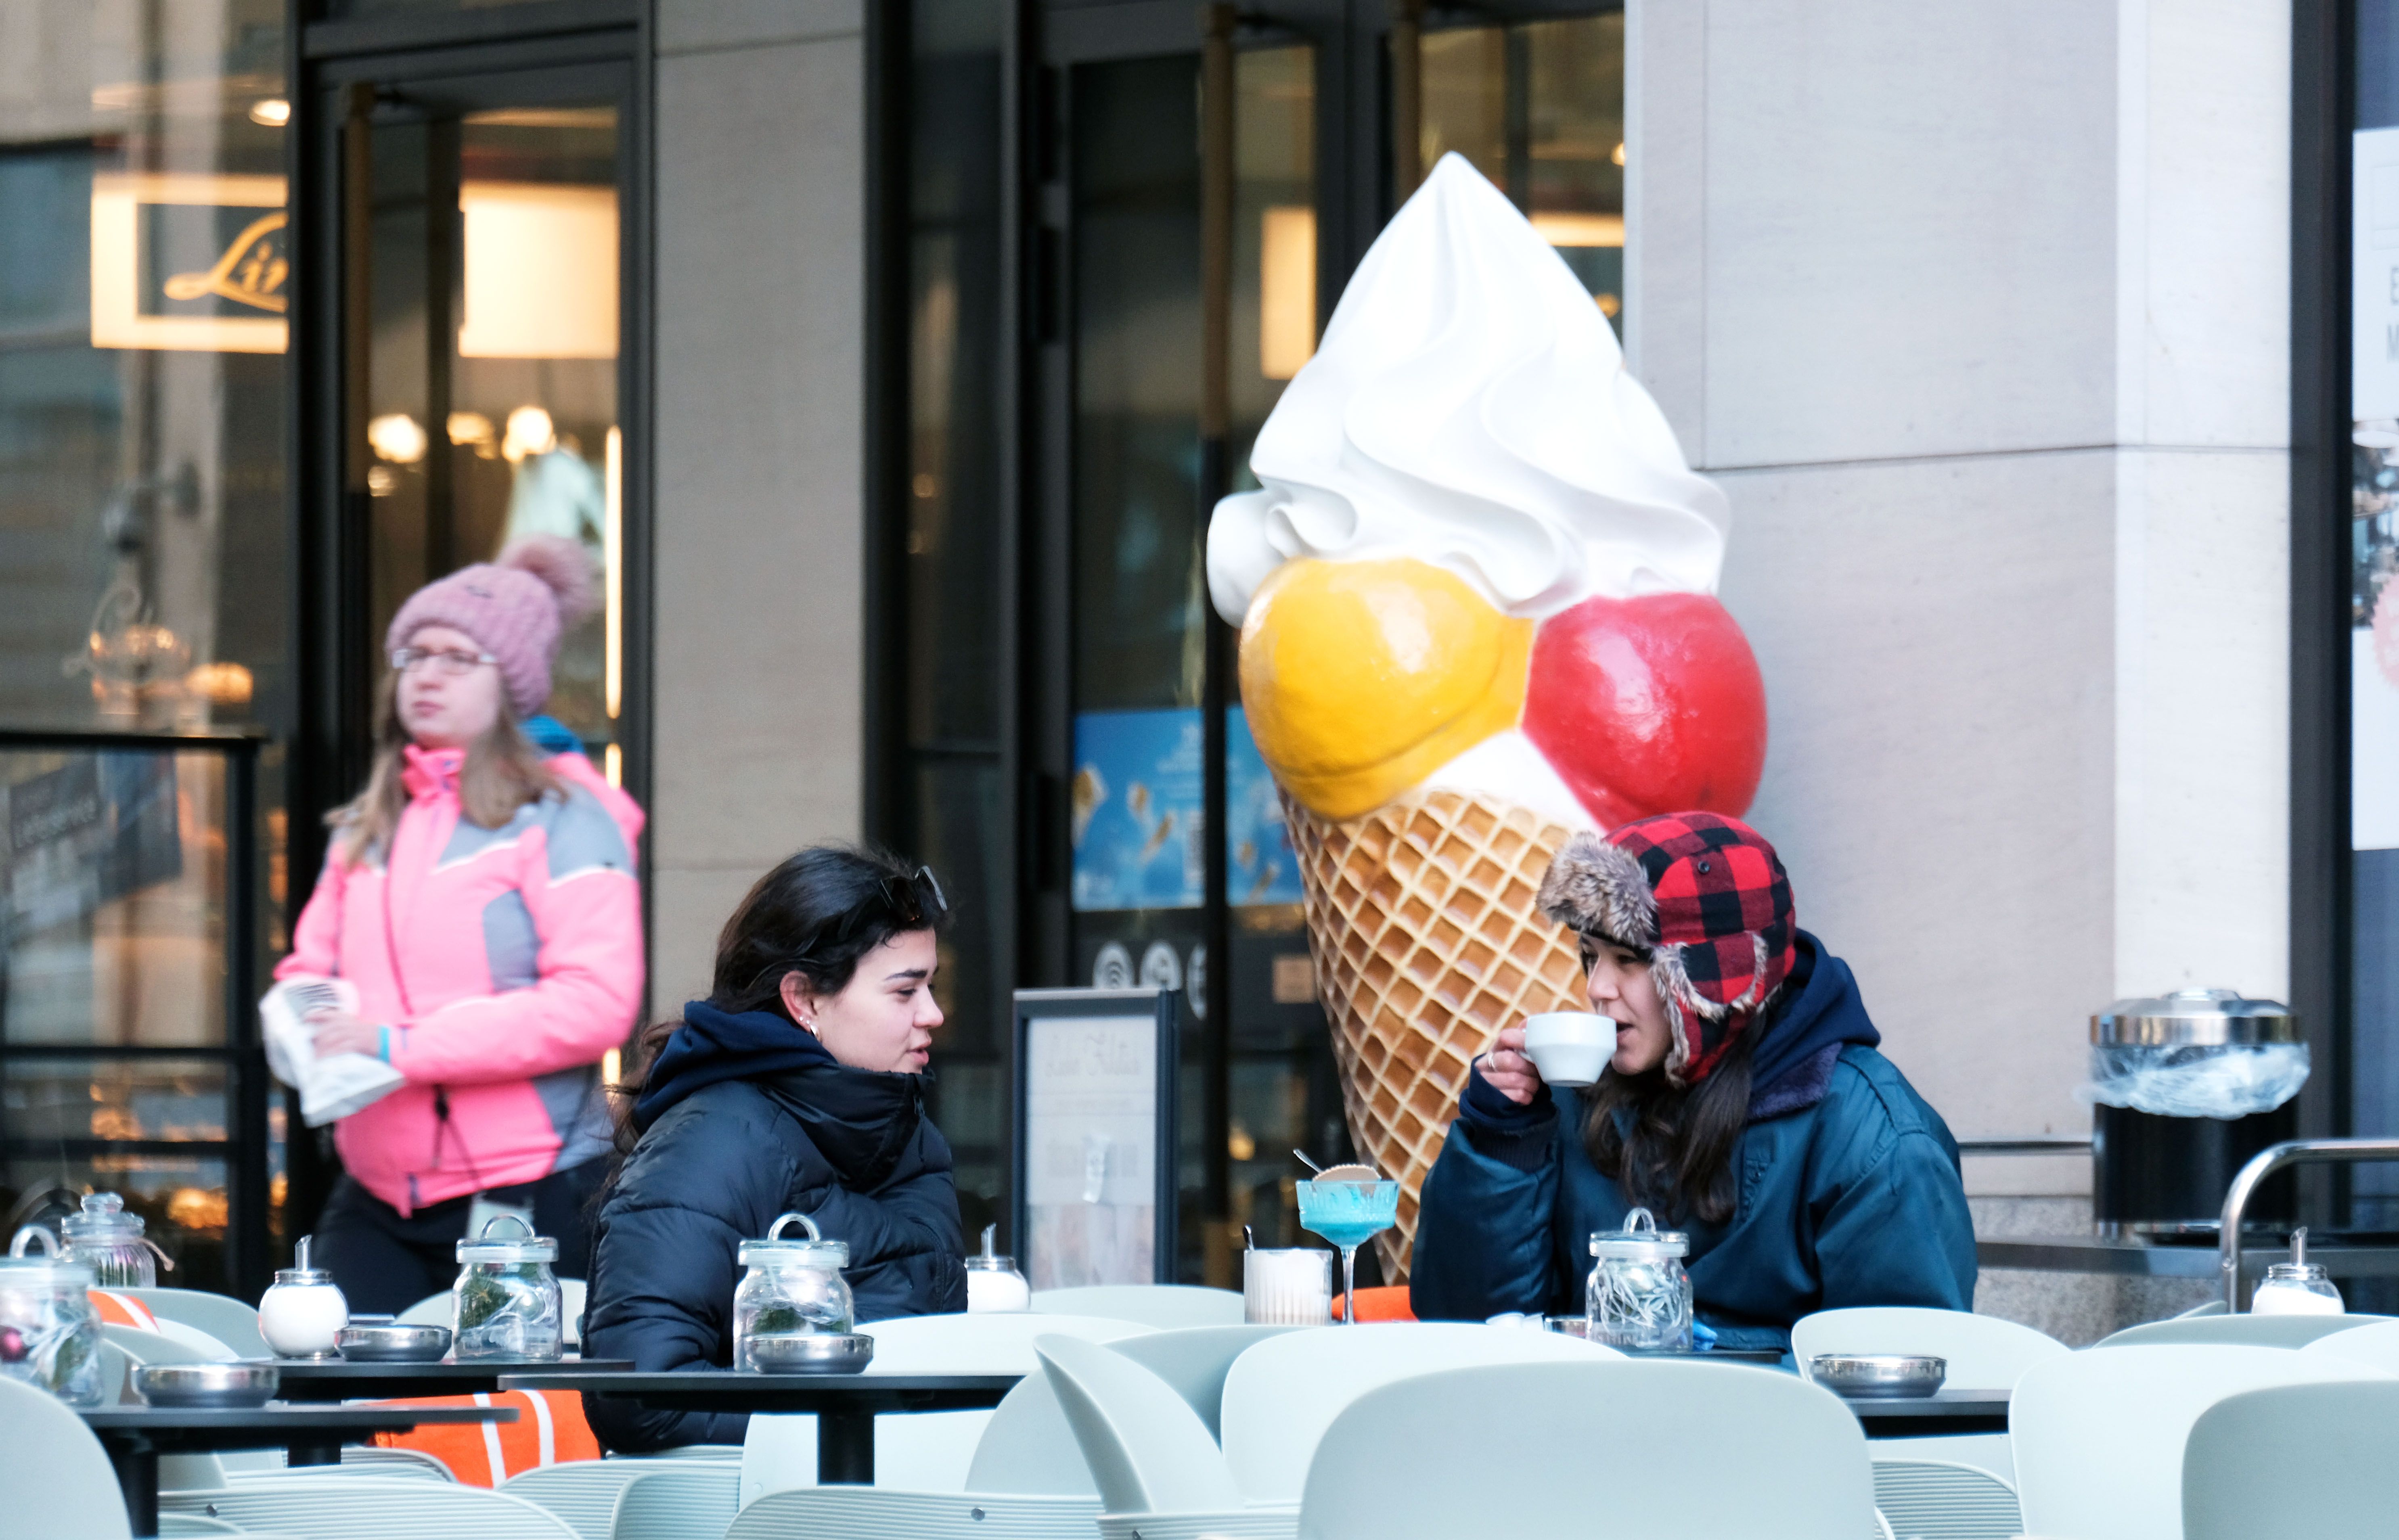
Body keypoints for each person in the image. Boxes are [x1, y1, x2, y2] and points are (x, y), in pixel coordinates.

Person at [1409, 812, 1975, 1348]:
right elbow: (1466, 1329)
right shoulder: (1569, 1099)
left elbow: (1896, 1380)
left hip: (1773, 1446)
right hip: (1583, 1438)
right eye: (1591, 956)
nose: (1597, 988)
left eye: (1629, 960)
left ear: (1713, 975)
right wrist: (1502, 1146)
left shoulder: (1871, 1137)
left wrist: (1681, 1353)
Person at [277, 536, 644, 1312]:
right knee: (336, 1410)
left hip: (527, 1187)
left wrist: (397, 1047)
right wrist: (306, 1030)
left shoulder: (570, 819)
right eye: (413, 654)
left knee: (505, 1428)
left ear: (512, 685)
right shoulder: (368, 825)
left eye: (457, 656)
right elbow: (308, 969)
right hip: (375, 1189)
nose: (427, 673)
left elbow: (595, 1004)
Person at [582, 846, 967, 1453]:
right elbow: (642, 1395)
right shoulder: (707, 1146)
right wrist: (855, 1432)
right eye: (905, 992)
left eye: (932, 986)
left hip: (899, 1493)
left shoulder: (906, 1127)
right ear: (806, 1001)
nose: (934, 1014)